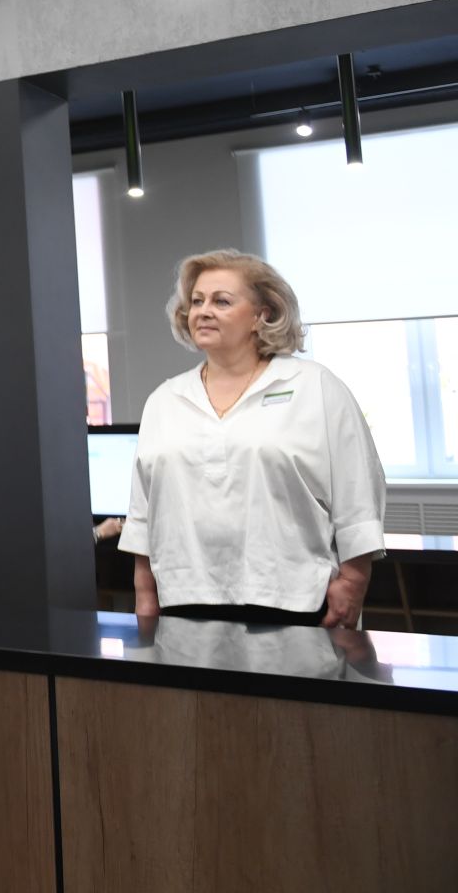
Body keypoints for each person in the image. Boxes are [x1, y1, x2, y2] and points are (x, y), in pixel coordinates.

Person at [120, 249, 387, 626]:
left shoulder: (314, 387)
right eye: (196, 301)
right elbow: (144, 512)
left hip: (294, 598)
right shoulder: (166, 399)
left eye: (221, 301)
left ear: (263, 314)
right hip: (183, 600)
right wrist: (145, 595)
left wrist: (354, 581)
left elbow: (357, 493)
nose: (203, 310)